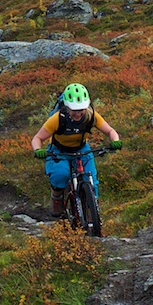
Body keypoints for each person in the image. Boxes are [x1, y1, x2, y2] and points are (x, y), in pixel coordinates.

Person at [31, 82, 121, 218]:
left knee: (91, 179)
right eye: (74, 110)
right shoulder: (57, 119)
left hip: (82, 149)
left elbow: (110, 131)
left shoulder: (91, 116)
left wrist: (115, 141)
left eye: (81, 109)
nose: (78, 113)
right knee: (60, 175)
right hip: (59, 150)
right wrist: (38, 150)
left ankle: (92, 212)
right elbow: (37, 138)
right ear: (67, 107)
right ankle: (57, 198)